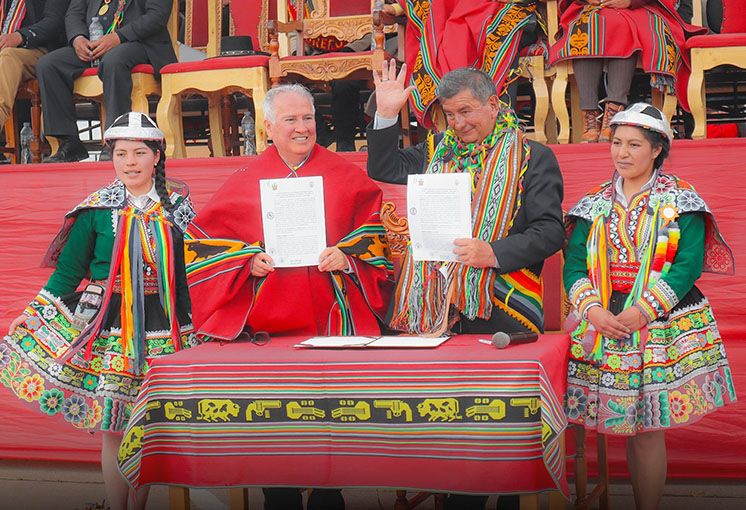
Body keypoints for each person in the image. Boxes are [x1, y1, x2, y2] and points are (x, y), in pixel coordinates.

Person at [186, 84, 394, 510]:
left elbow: (377, 236)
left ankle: (328, 494)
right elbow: (202, 245)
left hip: (333, 323)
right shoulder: (245, 181)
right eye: (291, 120)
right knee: (274, 422)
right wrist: (247, 260)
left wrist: (348, 256)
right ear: (267, 127)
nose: (302, 128)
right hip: (268, 326)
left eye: (309, 119)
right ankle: (277, 494)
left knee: (332, 418)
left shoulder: (347, 174)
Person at [367, 63, 564, 510]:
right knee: (447, 417)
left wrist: (492, 253)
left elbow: (551, 232)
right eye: (450, 115)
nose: (458, 123)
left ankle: (508, 486)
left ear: (495, 104)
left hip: (503, 297)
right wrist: (385, 114)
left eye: (467, 112)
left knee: (497, 419)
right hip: (436, 302)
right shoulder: (436, 149)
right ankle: (456, 488)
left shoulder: (533, 156)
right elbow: (382, 165)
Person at [1, 112, 198, 510]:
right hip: (106, 321)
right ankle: (116, 504)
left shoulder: (178, 209)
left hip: (164, 323)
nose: (130, 162)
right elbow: (69, 271)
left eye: (139, 152)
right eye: (121, 153)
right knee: (115, 425)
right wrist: (35, 312)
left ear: (157, 156)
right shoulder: (95, 209)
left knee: (149, 424)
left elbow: (196, 268)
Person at [563, 103, 736, 510]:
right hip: (601, 319)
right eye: (616, 142)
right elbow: (573, 264)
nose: (622, 153)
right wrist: (592, 310)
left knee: (648, 427)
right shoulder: (593, 203)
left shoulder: (680, 199)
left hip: (659, 321)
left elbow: (686, 264)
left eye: (634, 144)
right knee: (587, 419)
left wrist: (641, 311)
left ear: (657, 149)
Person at [38, 0, 177, 163]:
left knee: (114, 60)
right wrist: (78, 38)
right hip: (95, 46)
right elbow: (74, 13)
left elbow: (156, 16)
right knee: (49, 64)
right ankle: (69, 142)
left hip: (140, 43)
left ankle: (116, 140)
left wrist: (119, 37)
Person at [549, 0, 704, 143]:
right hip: (593, 9)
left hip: (642, 8)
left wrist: (631, 1)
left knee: (622, 26)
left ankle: (614, 111)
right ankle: (590, 116)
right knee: (586, 27)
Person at [399, 0, 544, 130]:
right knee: (452, 40)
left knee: (503, 34)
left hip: (509, 11)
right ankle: (458, 128)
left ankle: (502, 127)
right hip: (456, 13)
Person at [0, 0, 69, 127]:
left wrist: (20, 36)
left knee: (8, 56)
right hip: (7, 50)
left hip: (41, 49)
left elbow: (54, 22)